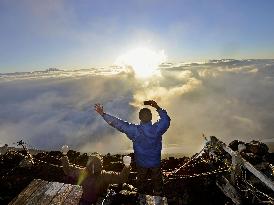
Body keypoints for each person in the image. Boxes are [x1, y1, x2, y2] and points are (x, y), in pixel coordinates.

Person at [94, 100, 171, 203]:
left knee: (141, 179)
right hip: (155, 162)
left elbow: (118, 124)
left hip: (141, 162)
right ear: (151, 118)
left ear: (139, 118)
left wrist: (103, 114)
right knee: (157, 179)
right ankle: (158, 194)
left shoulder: (134, 130)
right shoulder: (157, 129)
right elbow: (166, 120)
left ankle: (141, 195)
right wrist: (157, 107)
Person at [61, 151, 131, 205]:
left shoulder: (102, 175)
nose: (93, 166)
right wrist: (127, 166)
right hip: (91, 201)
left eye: (96, 162)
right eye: (92, 162)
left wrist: (64, 156)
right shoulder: (104, 175)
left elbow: (68, 170)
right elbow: (122, 178)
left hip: (96, 200)